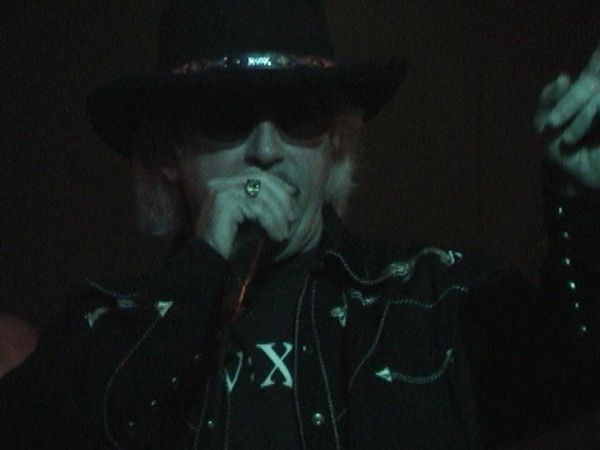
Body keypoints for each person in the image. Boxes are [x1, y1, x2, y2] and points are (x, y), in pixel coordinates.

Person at [1, 1, 599, 449]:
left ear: (336, 143)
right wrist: (198, 276)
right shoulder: (103, 325)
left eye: (300, 115)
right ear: (168, 153)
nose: (267, 150)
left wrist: (584, 198)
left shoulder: (428, 301)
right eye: (227, 116)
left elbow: (576, 365)